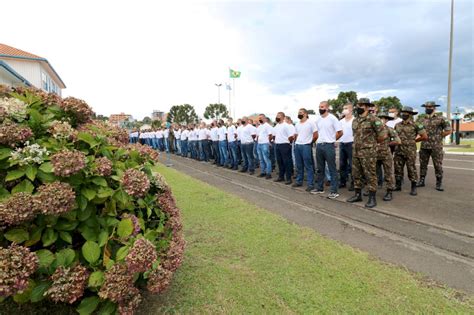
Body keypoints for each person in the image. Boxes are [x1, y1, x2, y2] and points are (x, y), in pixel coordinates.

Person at [347, 98, 387, 208]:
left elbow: (383, 135)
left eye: (361, 105)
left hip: (368, 153)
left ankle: (372, 198)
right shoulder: (355, 120)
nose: (358, 107)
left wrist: (371, 144)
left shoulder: (374, 119)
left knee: (370, 175)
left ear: (367, 107)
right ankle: (357, 195)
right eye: (358, 105)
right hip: (356, 151)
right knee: (356, 174)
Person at [417, 101, 452, 191]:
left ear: (434, 108)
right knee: (423, 164)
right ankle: (421, 181)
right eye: (426, 107)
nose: (427, 108)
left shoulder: (441, 118)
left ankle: (439, 183)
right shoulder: (421, 119)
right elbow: (417, 131)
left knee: (438, 165)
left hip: (436, 146)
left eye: (430, 107)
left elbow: (448, 130)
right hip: (424, 146)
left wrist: (439, 136)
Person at [394, 106, 428, 196]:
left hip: (410, 151)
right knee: (397, 168)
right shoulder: (397, 125)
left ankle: (413, 187)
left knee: (411, 169)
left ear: (410, 114)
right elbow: (394, 136)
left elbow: (424, 136)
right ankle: (398, 185)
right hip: (398, 150)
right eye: (402, 112)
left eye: (406, 113)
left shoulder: (416, 125)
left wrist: (414, 141)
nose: (403, 114)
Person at [312, 101, 343, 199]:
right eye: (319, 107)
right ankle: (320, 188)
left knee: (332, 168)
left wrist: (332, 140)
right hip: (319, 146)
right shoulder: (318, 120)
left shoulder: (333, 118)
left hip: (329, 145)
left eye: (322, 107)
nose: (320, 108)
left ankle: (334, 191)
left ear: (327, 108)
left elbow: (340, 132)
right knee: (320, 169)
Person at [376, 112, 401, 201]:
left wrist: (387, 144)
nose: (381, 120)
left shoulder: (389, 129)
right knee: (372, 173)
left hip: (386, 154)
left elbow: (398, 141)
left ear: (386, 120)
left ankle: (389, 191)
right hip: (374, 155)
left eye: (383, 118)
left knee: (388, 173)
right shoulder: (373, 129)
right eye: (380, 118)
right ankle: (371, 189)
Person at [293, 108, 318, 191]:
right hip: (298, 145)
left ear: (305, 114)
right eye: (298, 112)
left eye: (301, 112)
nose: (299, 114)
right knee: (299, 165)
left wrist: (310, 143)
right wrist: (296, 141)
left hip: (306, 146)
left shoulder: (311, 123)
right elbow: (296, 134)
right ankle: (299, 181)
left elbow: (315, 135)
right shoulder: (297, 124)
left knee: (308, 166)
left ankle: (310, 184)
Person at [273, 112, 295, 185]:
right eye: (276, 116)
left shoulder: (286, 125)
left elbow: (291, 136)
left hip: (285, 145)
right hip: (278, 145)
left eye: (278, 116)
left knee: (287, 162)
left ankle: (288, 178)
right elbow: (274, 135)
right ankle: (281, 176)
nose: (277, 117)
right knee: (279, 162)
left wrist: (288, 143)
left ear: (283, 117)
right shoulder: (276, 126)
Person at [339, 103, 354, 190]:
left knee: (352, 165)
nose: (344, 110)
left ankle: (354, 183)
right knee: (342, 164)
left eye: (346, 108)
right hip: (342, 144)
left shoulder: (354, 120)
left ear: (351, 110)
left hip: (351, 144)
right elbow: (338, 132)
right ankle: (342, 181)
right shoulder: (341, 121)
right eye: (343, 108)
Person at [256, 114, 274, 179]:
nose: (260, 119)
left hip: (265, 144)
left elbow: (270, 135)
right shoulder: (259, 127)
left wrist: (268, 142)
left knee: (266, 159)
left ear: (264, 118)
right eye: (259, 118)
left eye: (261, 118)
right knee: (261, 159)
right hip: (259, 144)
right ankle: (263, 172)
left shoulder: (267, 126)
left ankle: (268, 173)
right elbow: (257, 135)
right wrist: (258, 142)